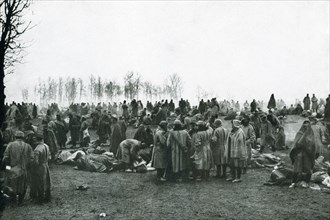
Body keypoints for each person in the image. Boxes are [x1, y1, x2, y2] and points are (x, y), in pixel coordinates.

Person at [2, 131, 33, 205]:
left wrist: (8, 168)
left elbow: (6, 158)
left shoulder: (10, 145)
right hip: (23, 169)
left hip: (12, 169)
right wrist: (27, 167)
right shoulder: (28, 146)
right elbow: (32, 158)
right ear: (23, 137)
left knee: (12, 185)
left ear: (15, 137)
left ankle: (13, 201)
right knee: (23, 185)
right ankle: (20, 201)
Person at [289, 120, 315, 188]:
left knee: (308, 168)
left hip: (307, 153)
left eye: (307, 126)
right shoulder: (299, 133)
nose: (305, 128)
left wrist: (308, 146)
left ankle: (307, 182)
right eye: (304, 126)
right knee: (297, 168)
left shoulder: (311, 134)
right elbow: (295, 143)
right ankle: (293, 182)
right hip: (299, 152)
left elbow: (313, 144)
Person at [31, 133, 51, 203]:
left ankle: (40, 199)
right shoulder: (46, 146)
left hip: (40, 166)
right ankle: (48, 197)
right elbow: (49, 157)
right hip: (46, 164)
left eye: (35, 138)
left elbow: (36, 162)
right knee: (47, 181)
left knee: (40, 182)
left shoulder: (37, 149)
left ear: (37, 139)